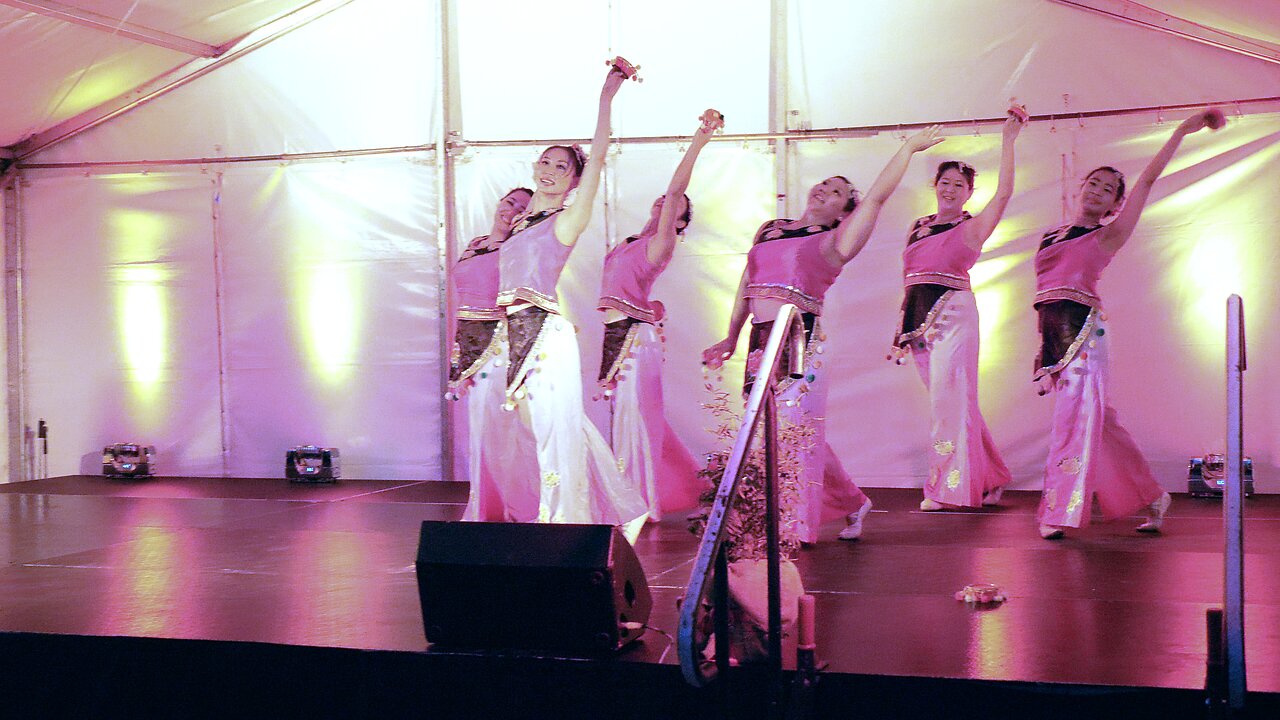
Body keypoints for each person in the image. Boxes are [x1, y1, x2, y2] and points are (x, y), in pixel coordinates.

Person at [702, 126, 944, 543]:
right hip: (761, 343)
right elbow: (748, 284)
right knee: (771, 432)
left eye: (836, 192)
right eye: (823, 184)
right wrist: (730, 337)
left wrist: (907, 149)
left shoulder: (836, 240)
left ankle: (790, 528)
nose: (824, 191)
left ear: (843, 211)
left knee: (793, 433)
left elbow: (876, 199)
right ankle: (852, 501)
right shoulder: (770, 229)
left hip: (803, 342)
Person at [465, 58, 647, 536]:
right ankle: (619, 508)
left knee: (553, 435)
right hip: (512, 335)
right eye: (543, 161)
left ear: (573, 179)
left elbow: (600, 157)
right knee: (544, 432)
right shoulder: (520, 224)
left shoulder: (566, 219)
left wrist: (606, 97)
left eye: (560, 165)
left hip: (545, 335)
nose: (548, 170)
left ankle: (560, 528)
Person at [1033, 107, 1225, 539]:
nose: (1098, 191)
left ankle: (1059, 511)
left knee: (1072, 421)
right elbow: (1044, 299)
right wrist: (1042, 353)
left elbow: (1148, 181)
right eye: (1093, 183)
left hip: (1086, 334)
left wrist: (1181, 131)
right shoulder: (1050, 236)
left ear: (1116, 203)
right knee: (1100, 422)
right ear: (1079, 189)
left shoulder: (1108, 234)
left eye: (1109, 190)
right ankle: (1153, 496)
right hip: (1055, 336)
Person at [890, 102, 1025, 511]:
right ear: (936, 185)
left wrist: (1008, 139)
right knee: (955, 402)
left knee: (946, 403)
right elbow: (909, 280)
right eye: (944, 183)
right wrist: (899, 330)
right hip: (919, 323)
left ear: (969, 193)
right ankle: (992, 476)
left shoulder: (972, 226)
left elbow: (1004, 193)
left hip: (954, 316)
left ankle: (946, 486)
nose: (950, 190)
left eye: (959, 186)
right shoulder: (918, 226)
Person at [597, 109, 724, 521]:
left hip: (635, 338)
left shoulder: (662, 243)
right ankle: (639, 497)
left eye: (676, 204)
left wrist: (698, 142)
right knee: (627, 421)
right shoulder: (631, 242)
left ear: (681, 219)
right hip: (619, 333)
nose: (666, 201)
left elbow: (673, 193)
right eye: (667, 200)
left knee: (638, 423)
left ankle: (638, 503)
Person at [449, 188, 537, 520]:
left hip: (499, 346)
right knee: (482, 433)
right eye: (510, 201)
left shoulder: (520, 249)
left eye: (522, 208)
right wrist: (459, 359)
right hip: (471, 348)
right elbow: (463, 302)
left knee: (503, 434)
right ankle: (489, 509)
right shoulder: (475, 244)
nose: (511, 209)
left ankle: (517, 511)